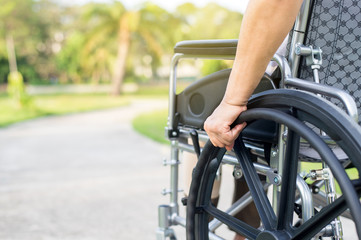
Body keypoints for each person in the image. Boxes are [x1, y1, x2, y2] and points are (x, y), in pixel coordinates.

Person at [203, 0, 304, 239]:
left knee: (211, 119)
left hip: (294, 104)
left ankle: (203, 221)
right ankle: (242, 232)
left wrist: (232, 102)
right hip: (349, 113)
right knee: (254, 121)